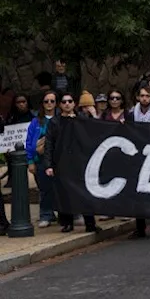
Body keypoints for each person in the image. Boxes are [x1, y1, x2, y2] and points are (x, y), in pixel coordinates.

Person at [45, 93, 99, 234]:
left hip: (81, 161)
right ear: (60, 105)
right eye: (64, 102)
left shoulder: (82, 119)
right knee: (65, 193)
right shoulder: (55, 122)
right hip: (62, 161)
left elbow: (95, 132)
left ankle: (90, 223)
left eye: (70, 101)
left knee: (85, 192)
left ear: (74, 103)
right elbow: (49, 144)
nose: (67, 104)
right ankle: (67, 223)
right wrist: (49, 165)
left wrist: (93, 114)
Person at [25, 91, 60, 227]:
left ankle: (68, 214)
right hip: (40, 160)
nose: (49, 104)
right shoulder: (36, 121)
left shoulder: (60, 118)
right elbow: (29, 143)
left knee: (62, 187)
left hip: (59, 159)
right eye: (46, 101)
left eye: (52, 101)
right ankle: (46, 215)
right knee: (45, 189)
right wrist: (30, 161)